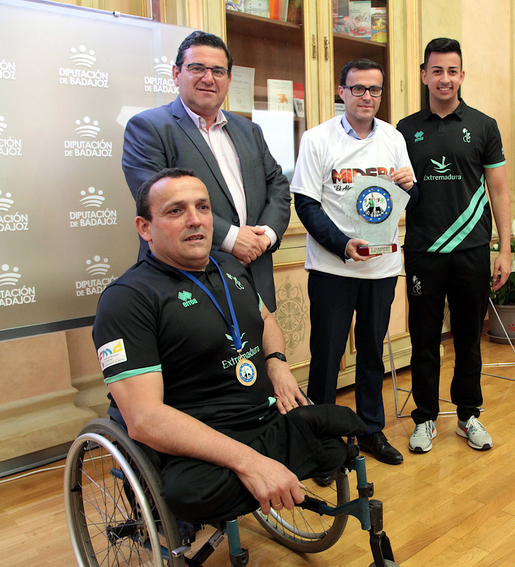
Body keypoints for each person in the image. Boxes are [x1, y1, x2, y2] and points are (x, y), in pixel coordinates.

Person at [92, 168, 365, 523]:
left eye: (203, 208)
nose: (195, 220)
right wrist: (249, 462)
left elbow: (266, 320)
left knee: (343, 429)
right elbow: (144, 419)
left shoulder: (229, 267)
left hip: (259, 417)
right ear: (145, 227)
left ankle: (281, 448)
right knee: (192, 493)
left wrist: (278, 364)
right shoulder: (128, 299)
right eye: (176, 211)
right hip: (198, 441)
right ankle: (283, 450)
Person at [290, 59, 417, 466]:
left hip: (381, 268)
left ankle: (369, 431)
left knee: (371, 352)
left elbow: (409, 195)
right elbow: (306, 204)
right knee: (326, 357)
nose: (367, 97)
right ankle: (321, 442)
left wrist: (411, 187)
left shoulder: (394, 138)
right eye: (358, 89)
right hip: (333, 268)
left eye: (375, 90)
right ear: (341, 92)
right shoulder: (317, 139)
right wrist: (343, 245)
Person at [397, 38, 511, 454]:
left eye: (452, 70)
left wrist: (504, 249)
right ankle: (425, 418)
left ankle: (468, 416)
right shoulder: (405, 129)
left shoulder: (483, 126)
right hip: (423, 253)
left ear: (462, 75)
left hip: (472, 251)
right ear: (424, 74)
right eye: (436, 70)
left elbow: (499, 192)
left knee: (467, 339)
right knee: (424, 339)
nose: (444, 78)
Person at [122, 31, 290, 312]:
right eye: (197, 68)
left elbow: (278, 186)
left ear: (228, 79)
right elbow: (160, 203)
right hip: (187, 284)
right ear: (176, 74)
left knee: (260, 353)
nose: (208, 78)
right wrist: (233, 238)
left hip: (254, 276)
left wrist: (266, 236)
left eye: (218, 71)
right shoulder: (149, 128)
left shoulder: (249, 130)